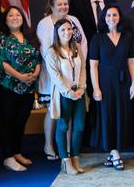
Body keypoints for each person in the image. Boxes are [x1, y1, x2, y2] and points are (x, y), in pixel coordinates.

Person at [38, 0, 87, 162]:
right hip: (56, 76)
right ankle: (49, 146)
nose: (63, 7)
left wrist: (78, 64)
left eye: (65, 4)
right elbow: (46, 50)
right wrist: (64, 70)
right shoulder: (44, 24)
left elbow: (83, 43)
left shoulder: (73, 20)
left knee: (74, 119)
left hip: (74, 73)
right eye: (59, 4)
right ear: (51, 6)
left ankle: (68, 150)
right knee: (56, 113)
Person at [87, 5, 134, 171]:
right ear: (104, 18)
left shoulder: (127, 36)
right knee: (108, 116)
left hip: (123, 82)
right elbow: (93, 65)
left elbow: (132, 60)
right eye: (108, 15)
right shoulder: (97, 38)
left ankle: (114, 153)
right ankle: (115, 153)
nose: (111, 18)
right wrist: (96, 88)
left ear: (119, 17)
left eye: (115, 14)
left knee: (120, 116)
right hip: (105, 83)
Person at [0, 6, 40, 173]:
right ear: (5, 20)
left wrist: (35, 73)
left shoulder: (30, 37)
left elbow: (38, 57)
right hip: (8, 87)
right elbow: (2, 62)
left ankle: (16, 152)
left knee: (21, 121)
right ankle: (8, 157)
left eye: (18, 15)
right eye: (11, 15)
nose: (15, 18)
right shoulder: (1, 39)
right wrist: (20, 76)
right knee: (7, 121)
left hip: (27, 88)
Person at [45, 17, 88, 175]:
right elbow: (55, 76)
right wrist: (69, 92)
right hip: (64, 94)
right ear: (57, 32)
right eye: (63, 29)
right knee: (63, 126)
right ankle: (65, 160)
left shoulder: (77, 47)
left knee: (79, 126)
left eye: (69, 29)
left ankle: (75, 156)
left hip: (79, 93)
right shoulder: (51, 52)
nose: (67, 32)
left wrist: (82, 88)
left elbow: (83, 68)